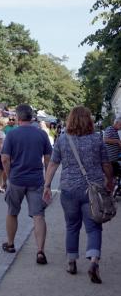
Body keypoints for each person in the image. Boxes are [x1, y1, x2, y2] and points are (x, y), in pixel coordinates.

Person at [43, 106, 113, 283]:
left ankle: (72, 262)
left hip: (69, 189)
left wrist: (47, 185)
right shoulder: (97, 140)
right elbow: (106, 165)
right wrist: (109, 181)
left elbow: (53, 164)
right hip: (93, 190)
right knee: (94, 227)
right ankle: (94, 261)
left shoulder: (63, 140)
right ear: (89, 120)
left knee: (72, 226)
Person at [1, 104, 52, 265]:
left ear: (18, 117)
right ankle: (40, 251)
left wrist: (9, 176)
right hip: (36, 179)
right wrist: (47, 181)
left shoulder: (12, 134)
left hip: (17, 178)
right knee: (38, 215)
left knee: (12, 212)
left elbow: (4, 159)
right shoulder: (42, 134)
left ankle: (10, 244)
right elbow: (48, 159)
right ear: (32, 117)